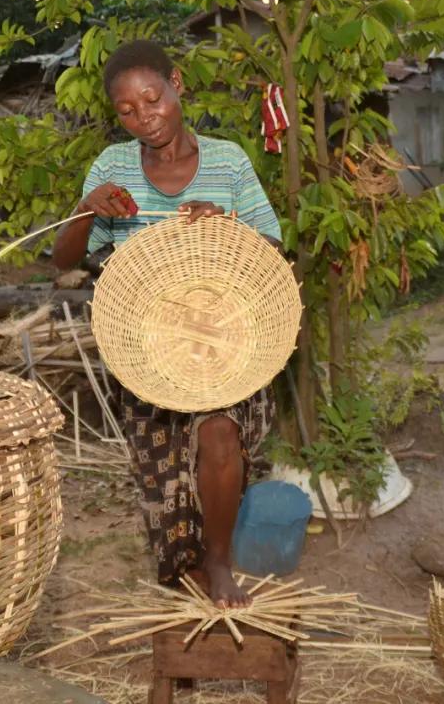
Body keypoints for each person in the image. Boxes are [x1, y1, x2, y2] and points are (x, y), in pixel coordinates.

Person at [52, 39, 283, 608]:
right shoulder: (112, 168)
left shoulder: (227, 160)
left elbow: (273, 245)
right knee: (165, 484)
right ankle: (185, 571)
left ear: (176, 84)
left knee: (220, 431)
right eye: (126, 111)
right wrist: (88, 208)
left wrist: (224, 224)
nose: (143, 118)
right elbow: (63, 262)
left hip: (228, 337)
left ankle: (221, 563)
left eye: (152, 100)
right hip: (147, 345)